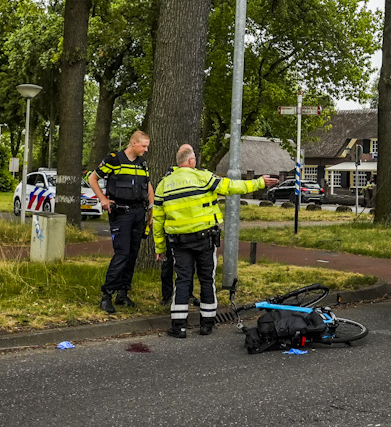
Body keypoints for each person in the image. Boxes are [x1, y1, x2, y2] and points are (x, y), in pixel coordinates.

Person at [154, 144, 277, 337]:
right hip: (205, 240)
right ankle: (207, 325)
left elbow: (157, 219)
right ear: (191, 161)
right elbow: (232, 186)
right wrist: (259, 183)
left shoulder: (163, 185)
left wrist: (160, 247)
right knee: (206, 279)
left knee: (182, 280)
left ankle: (179, 327)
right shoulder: (203, 177)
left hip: (179, 242)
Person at [88, 130, 154, 313]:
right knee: (122, 253)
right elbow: (92, 178)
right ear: (133, 143)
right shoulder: (114, 160)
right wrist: (103, 199)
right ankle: (107, 295)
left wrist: (151, 210)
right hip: (121, 213)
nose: (146, 149)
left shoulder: (142, 163)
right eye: (143, 146)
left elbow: (147, 185)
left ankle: (123, 294)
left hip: (139, 212)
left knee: (132, 254)